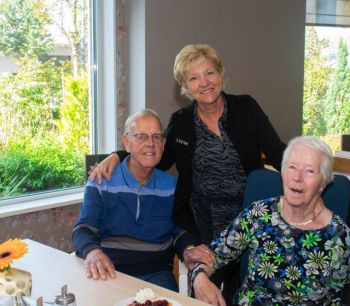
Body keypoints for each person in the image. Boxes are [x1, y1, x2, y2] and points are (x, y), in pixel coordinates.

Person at [89, 44, 286, 302]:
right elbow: (155, 154)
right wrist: (118, 155)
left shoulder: (246, 108)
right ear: (185, 86)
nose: (204, 83)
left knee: (248, 292)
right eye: (193, 78)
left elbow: (279, 153)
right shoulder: (181, 122)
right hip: (203, 223)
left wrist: (308, 173)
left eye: (209, 73)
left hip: (248, 219)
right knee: (205, 295)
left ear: (220, 74)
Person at [189, 136, 350, 306]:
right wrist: (199, 279)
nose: (297, 177)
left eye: (309, 171)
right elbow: (212, 255)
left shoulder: (339, 237)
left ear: (323, 183)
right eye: (292, 167)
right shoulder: (258, 214)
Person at [72, 109, 214, 291]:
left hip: (155, 276)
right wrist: (92, 252)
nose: (151, 144)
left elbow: (181, 231)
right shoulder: (101, 181)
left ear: (164, 144)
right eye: (141, 137)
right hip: (108, 270)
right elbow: (83, 228)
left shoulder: (172, 186)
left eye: (156, 137)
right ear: (126, 143)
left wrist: (188, 249)